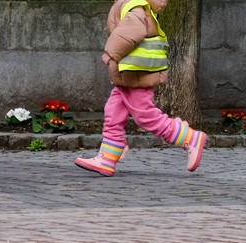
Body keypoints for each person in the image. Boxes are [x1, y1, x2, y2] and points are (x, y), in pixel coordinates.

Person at [75, 0, 207, 176]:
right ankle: (107, 157)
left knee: (145, 115)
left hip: (136, 74)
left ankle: (190, 138)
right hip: (130, 74)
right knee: (113, 111)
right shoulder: (134, 5)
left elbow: (131, 32)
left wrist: (111, 53)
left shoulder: (133, 5)